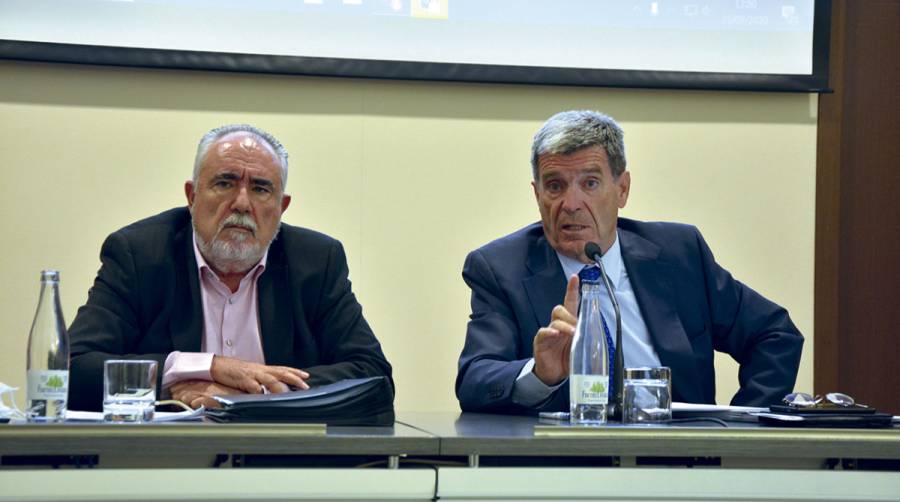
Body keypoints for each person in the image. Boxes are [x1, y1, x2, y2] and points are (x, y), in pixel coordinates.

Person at [456, 110, 803, 413]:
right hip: (564, 470)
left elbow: (775, 334)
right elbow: (475, 379)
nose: (571, 202)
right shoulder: (501, 269)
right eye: (555, 186)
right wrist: (539, 374)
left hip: (678, 464)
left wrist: (740, 430)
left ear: (622, 189)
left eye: (590, 183)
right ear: (537, 194)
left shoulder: (679, 254)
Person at [68, 124, 392, 411]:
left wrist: (255, 390)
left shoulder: (316, 262)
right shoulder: (140, 255)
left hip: (280, 462)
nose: (241, 203)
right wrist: (203, 368)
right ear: (192, 196)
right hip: (167, 461)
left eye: (261, 189)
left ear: (282, 208)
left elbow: (373, 376)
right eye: (225, 183)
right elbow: (73, 370)